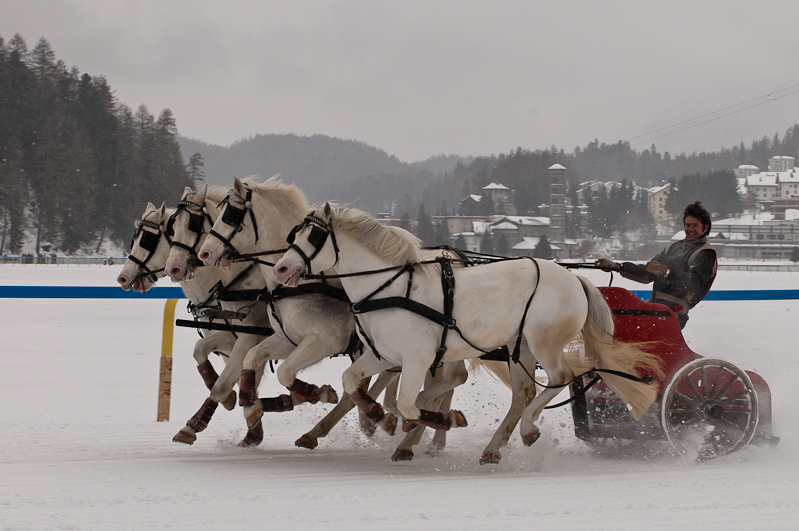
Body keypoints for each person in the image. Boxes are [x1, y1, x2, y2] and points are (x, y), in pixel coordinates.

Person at [595, 201, 717, 329]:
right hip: (654, 305)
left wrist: (668, 272)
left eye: (695, 225)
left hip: (674, 311)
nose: (690, 229)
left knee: (632, 324)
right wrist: (618, 267)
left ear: (706, 228)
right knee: (617, 315)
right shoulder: (673, 247)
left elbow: (694, 284)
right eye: (687, 225)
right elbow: (647, 273)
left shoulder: (705, 253)